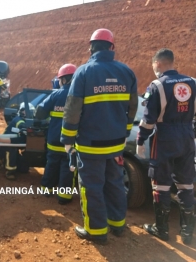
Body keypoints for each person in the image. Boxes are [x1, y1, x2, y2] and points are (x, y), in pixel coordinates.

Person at [60, 28, 138, 244]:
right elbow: (132, 107)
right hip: (115, 145)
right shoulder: (127, 72)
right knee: (114, 184)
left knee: (91, 187)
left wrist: (67, 139)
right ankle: (118, 224)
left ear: (90, 47)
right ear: (112, 47)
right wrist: (125, 131)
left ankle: (96, 231)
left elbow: (73, 108)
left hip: (90, 145)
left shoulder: (84, 72)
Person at [137, 48, 196, 245]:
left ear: (158, 64)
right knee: (186, 184)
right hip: (188, 137)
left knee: (161, 184)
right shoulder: (192, 82)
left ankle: (161, 230)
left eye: (154, 65)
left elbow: (148, 121)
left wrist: (140, 140)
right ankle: (187, 233)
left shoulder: (156, 85)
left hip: (164, 139)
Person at [35, 64, 77, 205]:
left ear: (62, 80)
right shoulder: (79, 96)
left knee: (51, 165)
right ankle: (64, 197)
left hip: (53, 140)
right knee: (67, 168)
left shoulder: (56, 94)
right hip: (71, 141)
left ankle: (46, 189)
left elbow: (39, 112)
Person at [0, 102, 33, 179]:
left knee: (24, 169)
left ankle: (7, 161)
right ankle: (9, 171)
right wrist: (25, 128)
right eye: (25, 110)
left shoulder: (28, 121)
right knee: (12, 149)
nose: (27, 112)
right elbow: (21, 126)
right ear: (21, 111)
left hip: (14, 143)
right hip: (3, 145)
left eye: (29, 111)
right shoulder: (18, 119)